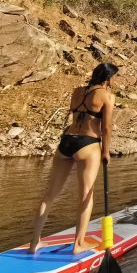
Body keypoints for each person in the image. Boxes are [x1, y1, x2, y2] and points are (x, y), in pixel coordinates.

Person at [29, 62, 118, 254]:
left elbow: (76, 115)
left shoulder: (77, 91)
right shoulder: (107, 95)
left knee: (50, 194)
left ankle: (34, 242)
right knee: (86, 195)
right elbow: (107, 127)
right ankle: (78, 244)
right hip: (88, 144)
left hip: (67, 142)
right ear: (108, 79)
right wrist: (106, 151)